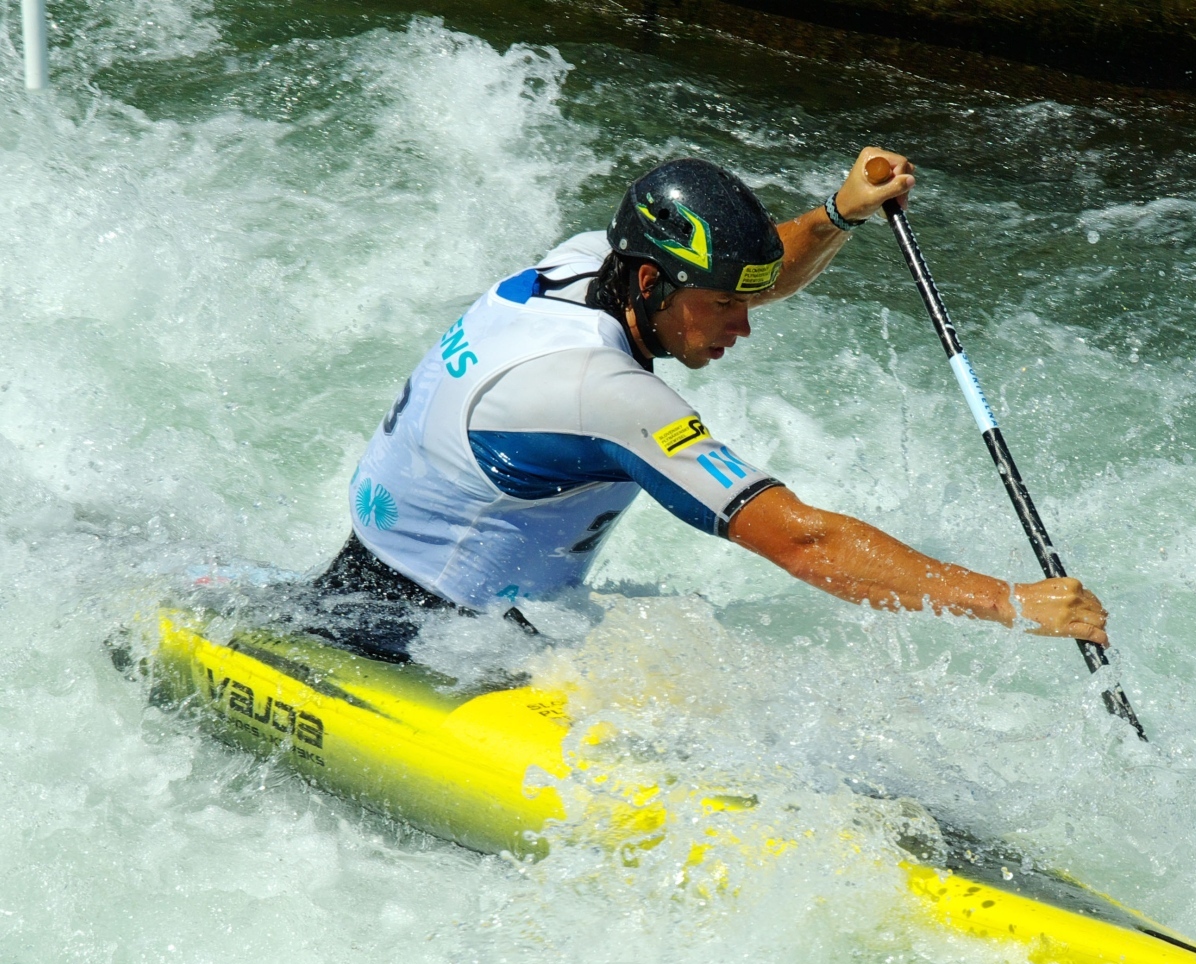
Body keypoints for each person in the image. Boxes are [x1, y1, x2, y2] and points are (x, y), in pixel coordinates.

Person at [314, 147, 1109, 660]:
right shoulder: (605, 395)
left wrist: (838, 213)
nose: (746, 326)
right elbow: (804, 543)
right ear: (654, 284)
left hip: (382, 577)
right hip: (428, 644)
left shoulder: (587, 261)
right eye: (726, 305)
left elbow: (757, 270)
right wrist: (1008, 603)